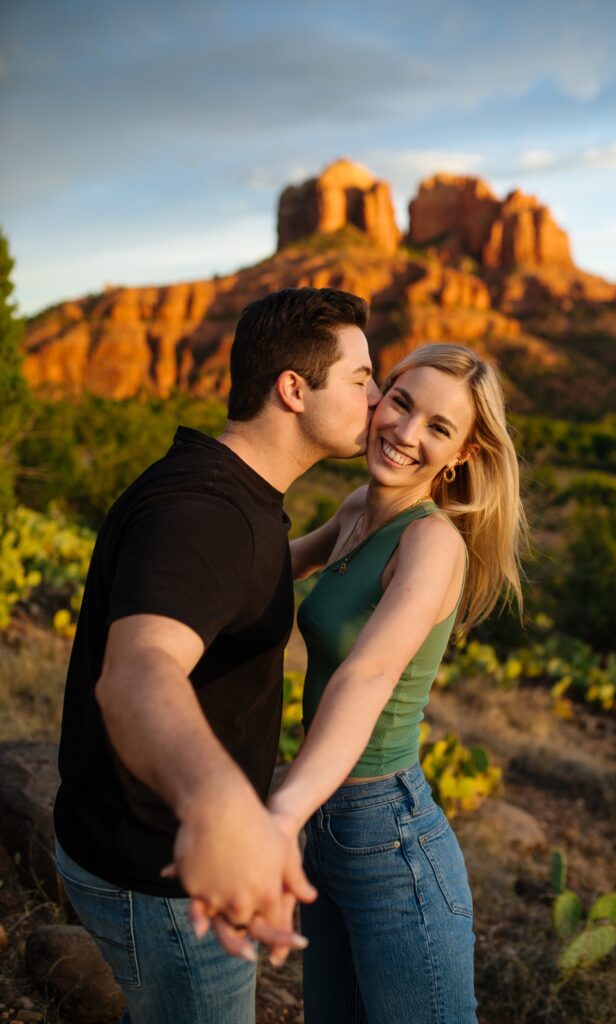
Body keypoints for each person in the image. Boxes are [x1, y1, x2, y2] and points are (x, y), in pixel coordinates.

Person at [52, 286, 382, 1024]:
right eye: (361, 380)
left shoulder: (233, 490)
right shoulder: (204, 514)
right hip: (164, 876)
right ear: (293, 389)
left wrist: (331, 536)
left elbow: (233, 585)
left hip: (135, 847)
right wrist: (221, 803)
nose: (376, 397)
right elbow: (138, 670)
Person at [267, 342, 527, 1023]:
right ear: (377, 395)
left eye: (438, 428)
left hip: (389, 839)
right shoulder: (358, 507)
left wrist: (281, 811)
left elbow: (369, 673)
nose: (406, 433)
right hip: (328, 824)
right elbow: (272, 567)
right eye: (402, 403)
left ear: (461, 455)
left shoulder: (431, 543)